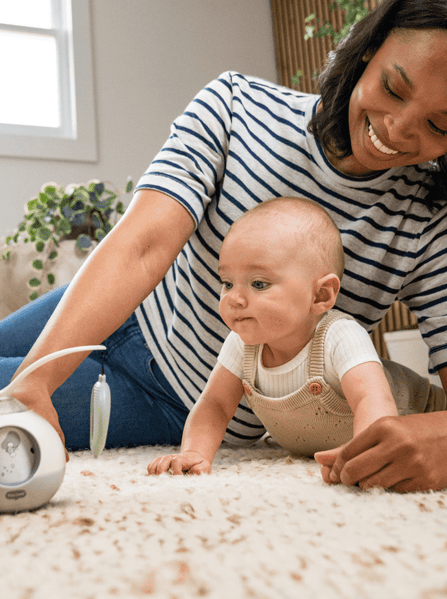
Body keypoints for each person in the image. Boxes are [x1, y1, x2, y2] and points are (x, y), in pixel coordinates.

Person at [0, 0, 447, 502]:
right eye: (393, 89)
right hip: (119, 305)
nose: (396, 130)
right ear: (367, 50)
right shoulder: (236, 105)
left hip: (168, 395)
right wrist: (33, 382)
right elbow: (141, 245)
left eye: (439, 124)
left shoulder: (428, 219)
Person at [147, 197, 446, 477]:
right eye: (227, 282)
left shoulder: (340, 335)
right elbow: (215, 404)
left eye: (259, 283)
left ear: (320, 295)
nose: (235, 298)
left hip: (428, 419)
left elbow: (373, 399)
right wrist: (194, 452)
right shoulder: (242, 344)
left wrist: (363, 454)